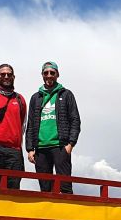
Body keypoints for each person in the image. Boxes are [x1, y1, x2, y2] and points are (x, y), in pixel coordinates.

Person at [26, 61, 81, 194]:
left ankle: (67, 213)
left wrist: (71, 144)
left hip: (60, 146)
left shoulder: (66, 94)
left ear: (57, 74)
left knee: (65, 186)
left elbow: (75, 120)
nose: (49, 75)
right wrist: (29, 149)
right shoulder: (35, 97)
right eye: (46, 73)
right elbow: (31, 124)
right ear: (42, 75)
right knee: (45, 188)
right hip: (40, 148)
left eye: (52, 73)